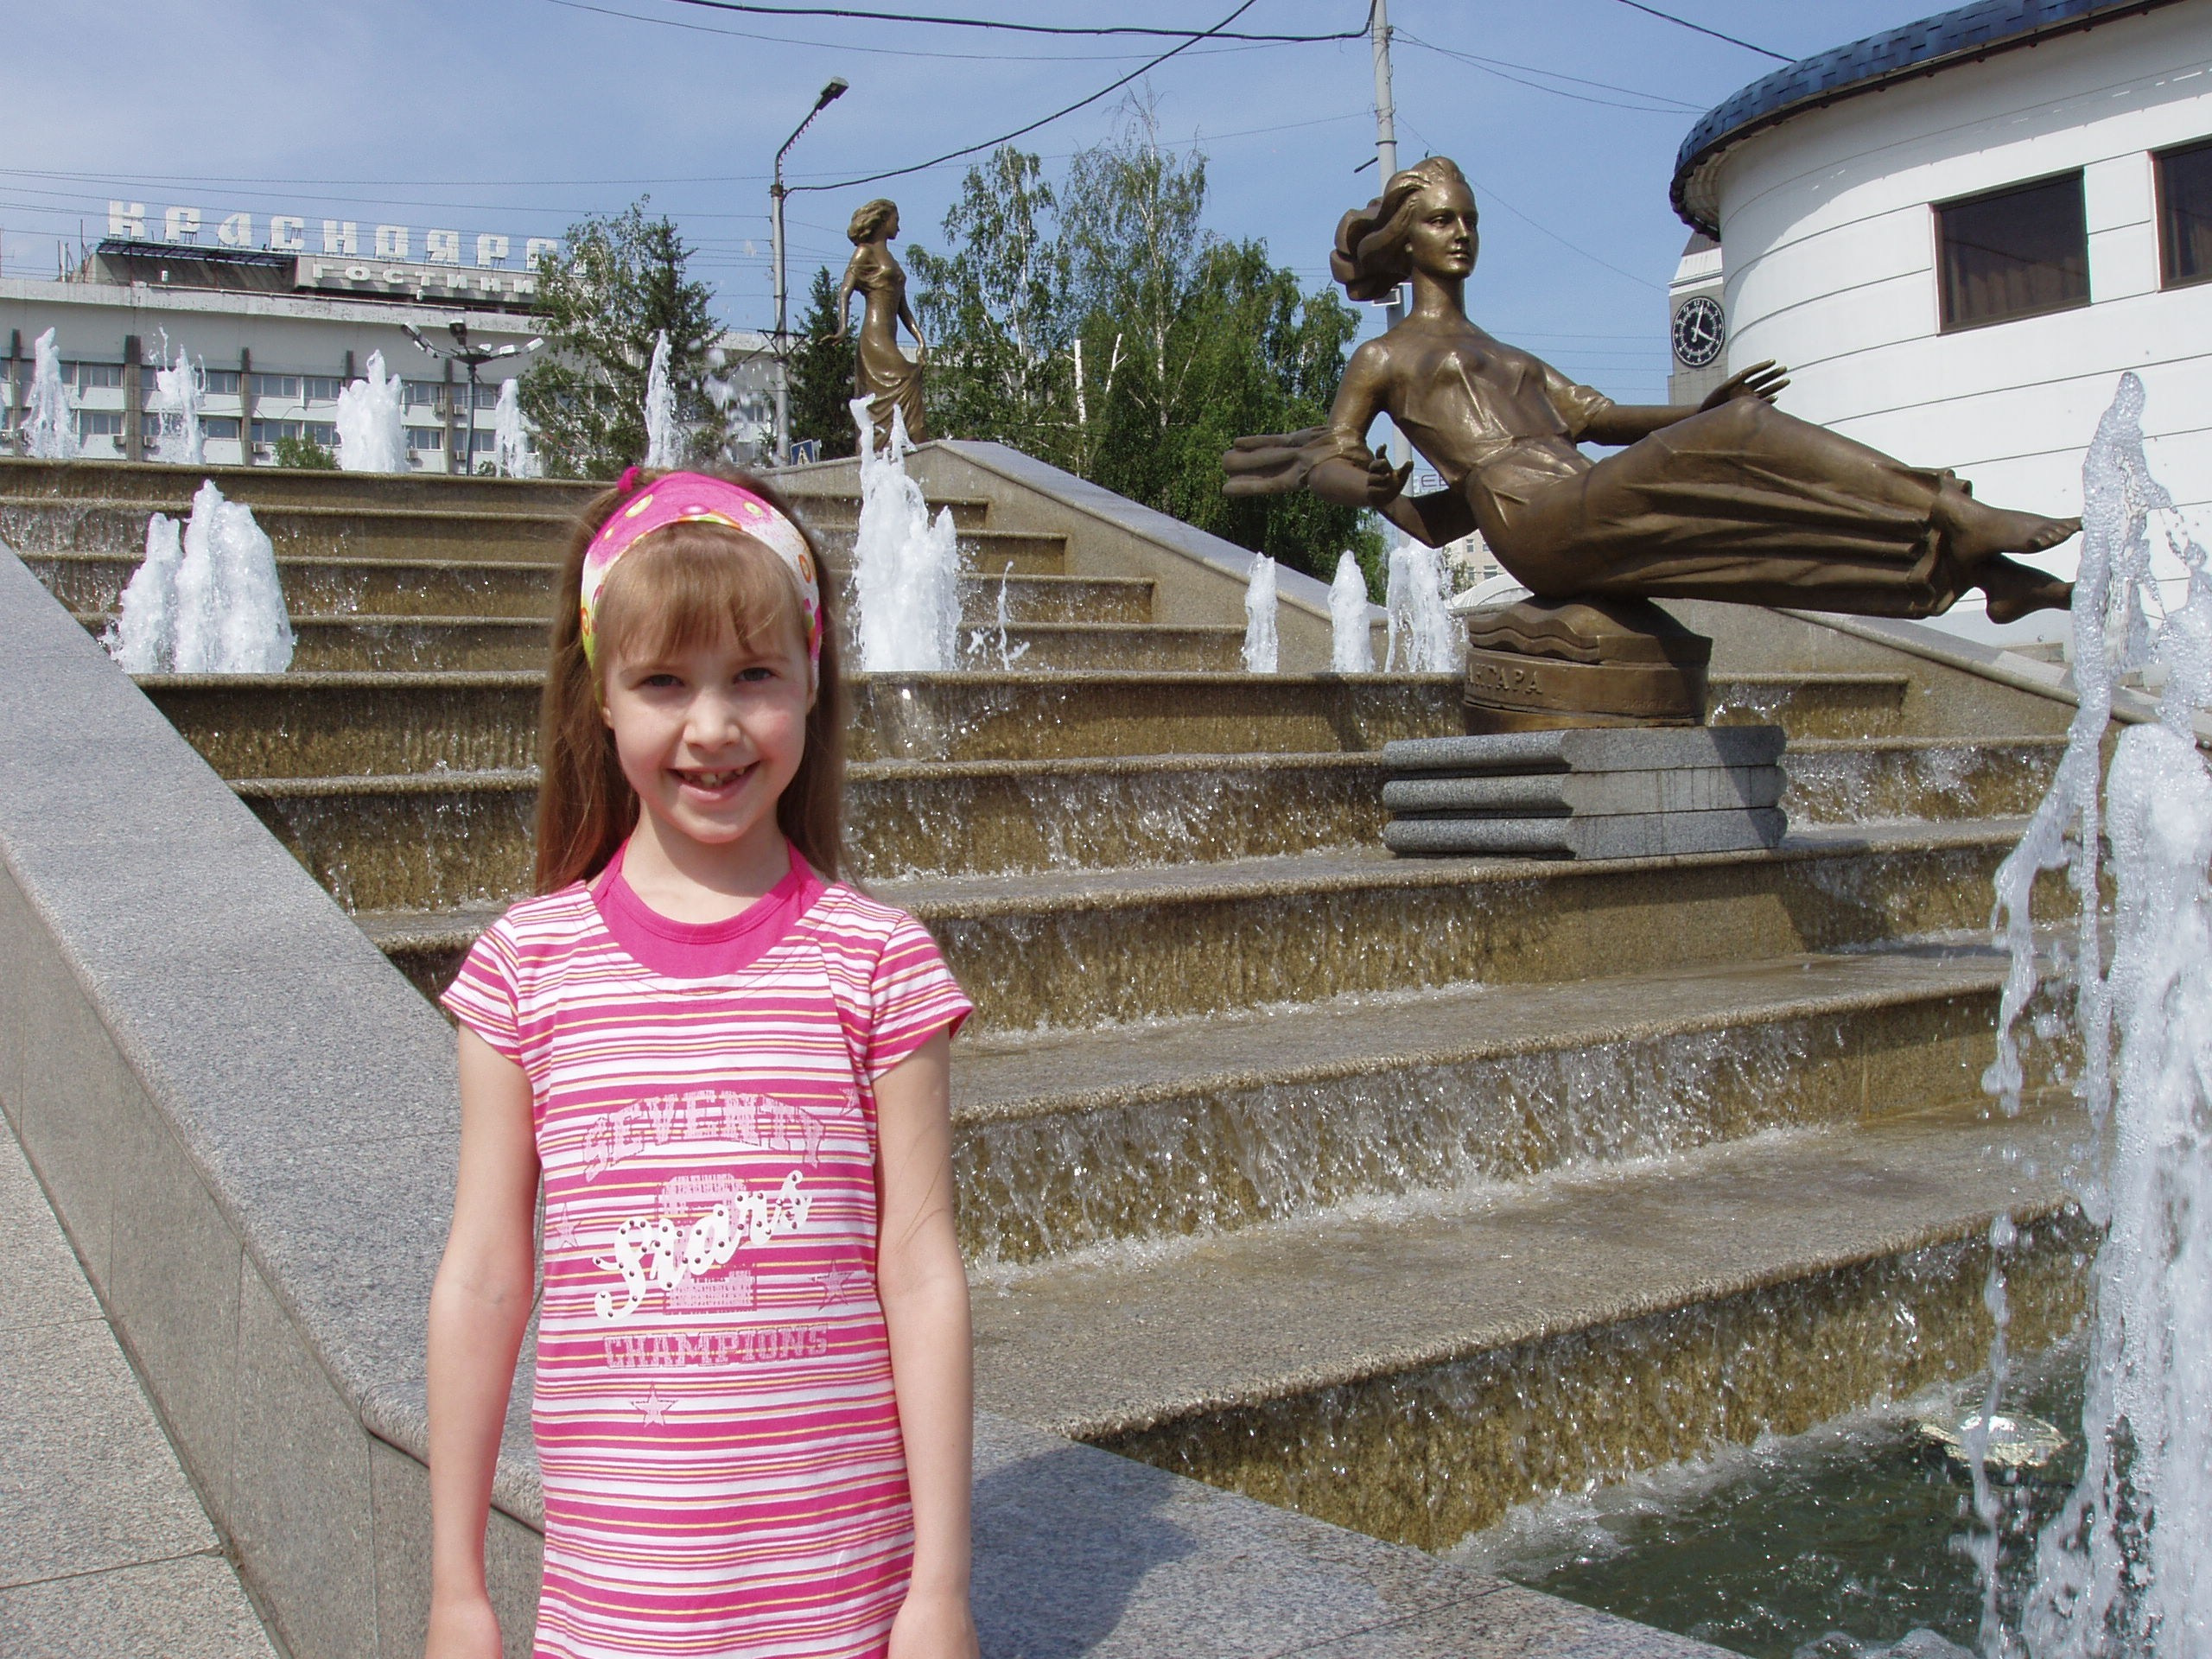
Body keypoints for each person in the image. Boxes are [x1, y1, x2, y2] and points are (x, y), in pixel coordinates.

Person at [423, 467, 979, 1659]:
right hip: (615, 1608)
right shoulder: (526, 972)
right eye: (665, 682)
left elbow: (921, 1270)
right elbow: (482, 1276)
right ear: (603, 703)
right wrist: (457, 1590)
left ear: (812, 684)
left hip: (842, 1608)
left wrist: (941, 1587)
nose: (714, 726)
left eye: (755, 677)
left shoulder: (879, 965)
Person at [1224, 156, 2078, 625]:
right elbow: (1334, 460)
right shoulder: (1385, 356)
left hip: (1579, 493)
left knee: (1747, 485)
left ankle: (1981, 571)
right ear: (1407, 238)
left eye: (1470, 220)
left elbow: (1598, 418)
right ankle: (1948, 508)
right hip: (1534, 520)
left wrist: (1698, 415)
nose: (1461, 235)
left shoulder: (1505, 353)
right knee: (1741, 432)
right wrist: (1363, 484)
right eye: (1443, 220)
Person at [832, 199, 929, 448]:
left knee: (910, 385)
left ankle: (912, 447)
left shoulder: (891, 260)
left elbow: (902, 308)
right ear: (883, 221)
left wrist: (919, 338)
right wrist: (842, 328)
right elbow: (845, 291)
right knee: (907, 380)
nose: (899, 227)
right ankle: (897, 447)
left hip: (889, 336)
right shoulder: (865, 252)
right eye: (897, 220)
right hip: (875, 338)